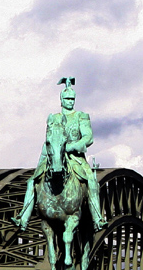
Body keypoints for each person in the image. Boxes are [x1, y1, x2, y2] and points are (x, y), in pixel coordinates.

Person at [12, 78, 107, 231]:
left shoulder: (81, 116)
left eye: (72, 99)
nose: (70, 101)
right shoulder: (53, 118)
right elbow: (49, 139)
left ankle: (97, 218)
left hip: (75, 158)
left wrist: (71, 146)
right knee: (32, 181)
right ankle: (23, 217)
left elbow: (88, 137)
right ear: (61, 100)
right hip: (53, 156)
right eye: (67, 99)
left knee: (91, 182)